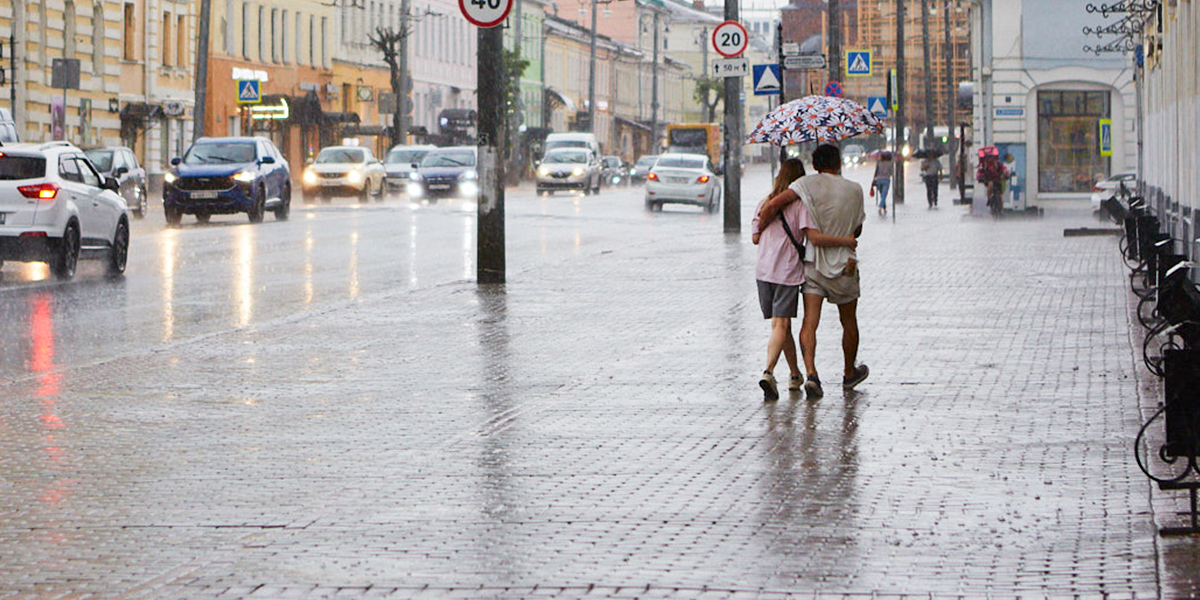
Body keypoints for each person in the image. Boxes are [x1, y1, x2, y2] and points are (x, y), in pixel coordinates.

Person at [759, 144, 869, 398]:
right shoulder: (855, 189)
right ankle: (849, 373)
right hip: (845, 265)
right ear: (839, 163)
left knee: (810, 322)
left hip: (813, 264)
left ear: (816, 165)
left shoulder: (805, 185)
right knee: (849, 320)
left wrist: (760, 225)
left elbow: (777, 203)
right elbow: (858, 229)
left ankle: (811, 373)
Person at [976, 147, 1007, 217]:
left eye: (991, 157)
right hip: (988, 179)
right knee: (990, 184)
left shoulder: (998, 164)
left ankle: (1001, 210)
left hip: (997, 179)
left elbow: (1004, 169)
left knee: (1000, 194)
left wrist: (1006, 174)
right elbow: (980, 172)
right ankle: (989, 199)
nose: (990, 159)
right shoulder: (984, 165)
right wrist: (980, 178)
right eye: (988, 158)